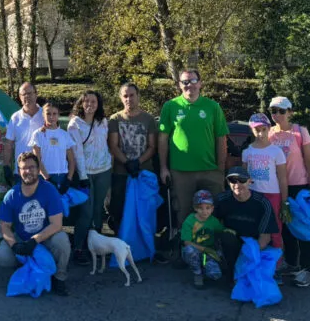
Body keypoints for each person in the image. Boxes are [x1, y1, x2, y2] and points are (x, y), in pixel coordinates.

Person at [158, 69, 229, 224]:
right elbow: (163, 139)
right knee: (183, 212)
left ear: (200, 83)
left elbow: (221, 138)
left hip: (210, 171)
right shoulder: (171, 106)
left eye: (193, 81)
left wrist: (220, 169)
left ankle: (213, 245)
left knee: (214, 211)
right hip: (181, 172)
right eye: (185, 82)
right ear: (179, 85)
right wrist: (164, 168)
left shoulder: (212, 107)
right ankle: (186, 246)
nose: (189, 85)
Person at [0, 151, 70, 297]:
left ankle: (59, 277)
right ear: (19, 171)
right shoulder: (11, 195)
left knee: (61, 240)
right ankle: (27, 267)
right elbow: (4, 226)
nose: (28, 171)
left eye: (32, 167)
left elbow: (57, 224)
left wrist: (34, 240)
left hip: (44, 237)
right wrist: (14, 245)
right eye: (24, 168)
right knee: (3, 255)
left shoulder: (49, 190)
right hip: (22, 238)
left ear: (38, 169)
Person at [268, 96, 310, 287]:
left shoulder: (300, 132)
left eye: (281, 111)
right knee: (287, 227)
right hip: (279, 187)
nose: (277, 115)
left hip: (300, 186)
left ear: (290, 112)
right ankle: (291, 263)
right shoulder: (270, 133)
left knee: (304, 228)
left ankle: (307, 269)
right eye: (274, 111)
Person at [107, 83, 158, 230]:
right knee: (119, 210)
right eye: (125, 96)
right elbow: (114, 146)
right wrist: (127, 162)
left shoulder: (148, 119)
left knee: (143, 211)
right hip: (121, 172)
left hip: (144, 173)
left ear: (138, 96)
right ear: (121, 98)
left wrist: (138, 162)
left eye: (132, 95)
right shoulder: (115, 119)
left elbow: (152, 146)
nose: (129, 99)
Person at [67, 90, 111, 259]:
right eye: (86, 101)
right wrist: (83, 177)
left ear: (98, 104)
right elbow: (77, 153)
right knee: (86, 211)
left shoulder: (103, 122)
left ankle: (97, 246)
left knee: (98, 210)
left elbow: (106, 145)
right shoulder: (74, 125)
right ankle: (79, 246)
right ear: (81, 103)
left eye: (93, 101)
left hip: (103, 170)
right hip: (85, 174)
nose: (90, 105)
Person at [213, 166, 279, 277]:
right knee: (227, 237)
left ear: (249, 181)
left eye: (242, 180)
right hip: (232, 242)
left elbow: (265, 237)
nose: (237, 184)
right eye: (233, 180)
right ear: (228, 182)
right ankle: (228, 270)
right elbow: (211, 224)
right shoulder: (221, 199)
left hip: (254, 245)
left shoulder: (262, 203)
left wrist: (248, 256)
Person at [242, 113, 288, 263]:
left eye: (263, 129)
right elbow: (244, 177)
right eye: (257, 130)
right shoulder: (247, 151)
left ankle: (277, 264)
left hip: (272, 194)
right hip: (253, 194)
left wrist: (284, 201)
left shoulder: (276, 151)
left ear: (269, 129)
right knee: (255, 227)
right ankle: (255, 260)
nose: (260, 133)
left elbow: (282, 177)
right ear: (252, 130)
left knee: (274, 228)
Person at [2, 82, 45, 186]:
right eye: (23, 94)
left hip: (43, 172)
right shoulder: (15, 118)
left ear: (36, 94)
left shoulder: (46, 115)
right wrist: (6, 166)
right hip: (22, 172)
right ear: (20, 97)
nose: (27, 97)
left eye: (30, 93)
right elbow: (9, 144)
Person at [181, 189, 223, 289]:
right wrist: (205, 249)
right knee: (189, 250)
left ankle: (205, 268)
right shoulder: (190, 220)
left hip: (208, 253)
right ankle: (197, 273)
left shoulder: (213, 221)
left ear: (212, 208)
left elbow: (221, 231)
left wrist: (228, 231)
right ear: (195, 208)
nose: (205, 211)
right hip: (195, 251)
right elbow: (187, 242)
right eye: (200, 208)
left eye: (208, 208)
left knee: (215, 275)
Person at [29, 102, 76, 191]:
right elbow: (36, 160)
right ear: (43, 115)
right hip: (44, 177)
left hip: (62, 176)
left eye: (54, 114)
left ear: (58, 115)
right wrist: (47, 178)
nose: (51, 117)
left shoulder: (64, 135)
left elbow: (71, 160)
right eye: (48, 114)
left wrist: (69, 179)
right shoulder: (38, 134)